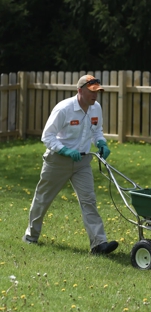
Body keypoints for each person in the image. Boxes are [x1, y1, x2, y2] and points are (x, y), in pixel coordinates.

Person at [22, 74, 118, 255]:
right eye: (91, 91)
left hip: (82, 162)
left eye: (97, 92)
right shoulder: (64, 109)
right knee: (43, 199)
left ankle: (98, 244)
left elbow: (97, 131)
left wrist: (101, 143)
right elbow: (47, 136)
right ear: (80, 90)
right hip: (58, 161)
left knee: (89, 200)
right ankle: (31, 236)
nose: (95, 95)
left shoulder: (96, 108)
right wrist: (65, 150)